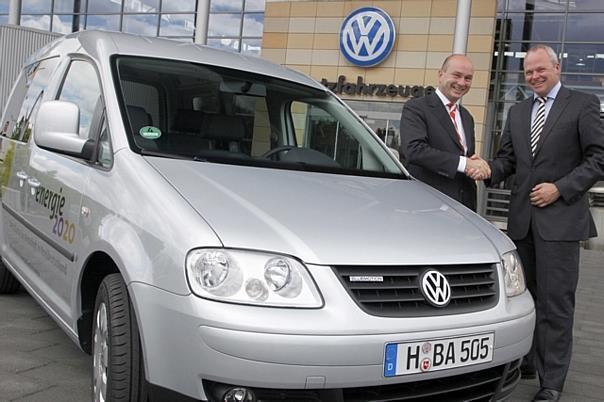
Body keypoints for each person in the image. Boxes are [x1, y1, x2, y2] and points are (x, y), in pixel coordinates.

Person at [477, 45, 604, 402]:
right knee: (525, 300)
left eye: (539, 70)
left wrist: (560, 189)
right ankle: (529, 361)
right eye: (528, 72)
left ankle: (552, 382)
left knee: (555, 305)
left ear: (556, 67)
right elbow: (507, 161)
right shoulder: (518, 112)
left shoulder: (582, 104)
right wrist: (485, 169)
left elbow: (599, 158)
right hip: (521, 224)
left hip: (560, 224)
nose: (533, 76)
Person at [399, 54, 489, 211]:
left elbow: (463, 160)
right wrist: (465, 163)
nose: (462, 83)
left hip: (463, 209)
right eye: (457, 75)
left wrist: (475, 165)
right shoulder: (416, 108)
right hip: (428, 208)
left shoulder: (467, 117)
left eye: (468, 78)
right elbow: (414, 150)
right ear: (440, 75)